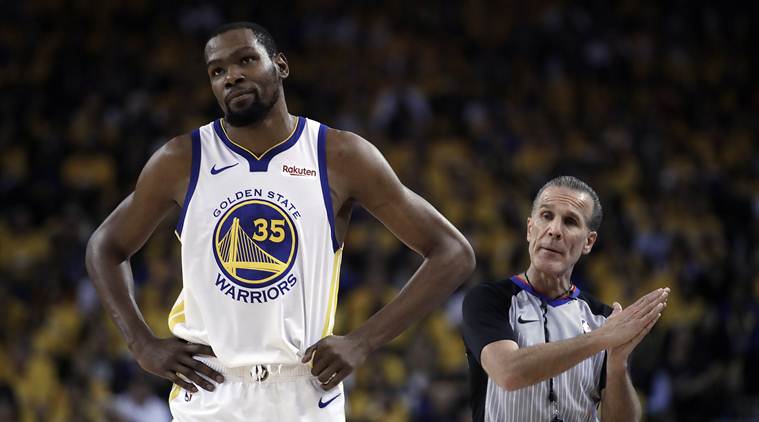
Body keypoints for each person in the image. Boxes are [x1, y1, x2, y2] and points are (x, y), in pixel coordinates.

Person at [85, 21, 475, 421]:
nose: (231, 76)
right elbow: (105, 247)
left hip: (305, 388)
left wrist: (363, 341)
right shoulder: (181, 159)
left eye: (246, 60)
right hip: (211, 389)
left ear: (281, 66)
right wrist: (141, 344)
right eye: (217, 71)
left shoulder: (339, 155)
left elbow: (453, 253)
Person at [461, 176, 669, 422]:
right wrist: (600, 339)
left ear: (588, 242)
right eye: (546, 216)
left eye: (570, 221)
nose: (554, 230)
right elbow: (508, 372)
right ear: (530, 229)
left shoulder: (603, 318)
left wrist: (617, 363)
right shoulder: (487, 299)